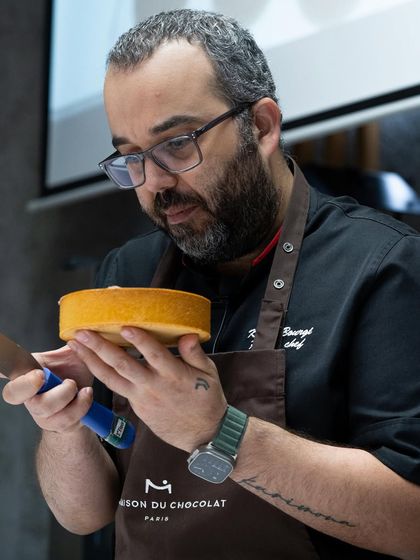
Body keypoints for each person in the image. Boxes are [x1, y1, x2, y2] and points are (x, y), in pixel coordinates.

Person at [3, 8, 420, 559]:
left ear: (263, 126)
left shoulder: (382, 267)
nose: (154, 184)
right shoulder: (126, 274)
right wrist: (66, 425)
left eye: (177, 144)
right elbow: (85, 515)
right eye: (131, 158)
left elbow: (411, 522)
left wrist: (220, 433)